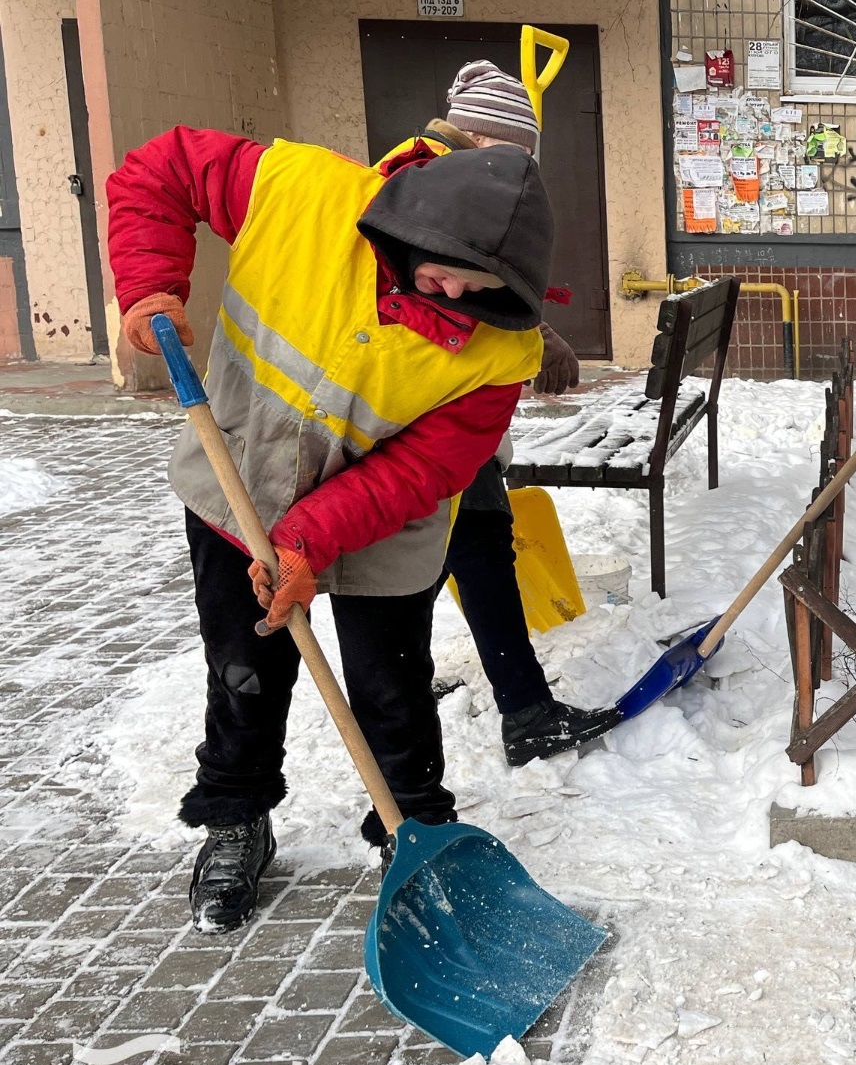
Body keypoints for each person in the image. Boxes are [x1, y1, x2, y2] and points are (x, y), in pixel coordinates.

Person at [107, 124, 553, 931]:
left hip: (384, 519)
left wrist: (308, 539)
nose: (458, 296)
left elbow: (423, 469)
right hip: (240, 477)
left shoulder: (500, 353)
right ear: (417, 226)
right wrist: (149, 284)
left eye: (482, 286)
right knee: (244, 665)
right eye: (451, 268)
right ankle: (236, 815)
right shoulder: (300, 193)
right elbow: (159, 169)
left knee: (393, 684)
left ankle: (411, 827)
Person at [373, 59, 622, 774]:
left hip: (440, 411)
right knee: (465, 546)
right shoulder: (420, 181)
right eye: (516, 155)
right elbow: (437, 293)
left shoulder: (443, 174)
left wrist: (537, 330)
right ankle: (521, 712)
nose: (520, 175)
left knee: (459, 546)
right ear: (480, 138)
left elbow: (473, 285)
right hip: (417, 413)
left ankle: (510, 703)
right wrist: (534, 337)